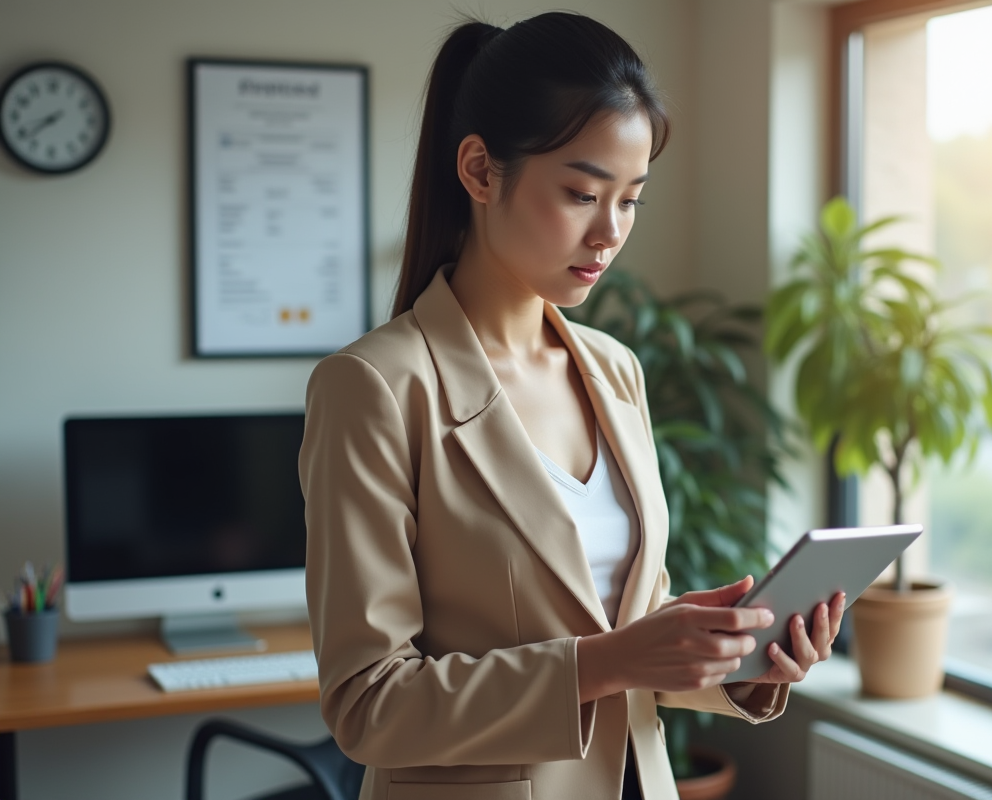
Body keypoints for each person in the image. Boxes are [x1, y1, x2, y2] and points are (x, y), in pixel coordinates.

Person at [299, 12, 845, 800]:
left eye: (632, 200)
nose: (610, 233)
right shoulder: (376, 388)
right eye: (583, 193)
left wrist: (735, 652)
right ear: (481, 171)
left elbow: (626, 633)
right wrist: (612, 659)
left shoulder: (614, 371)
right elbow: (368, 704)